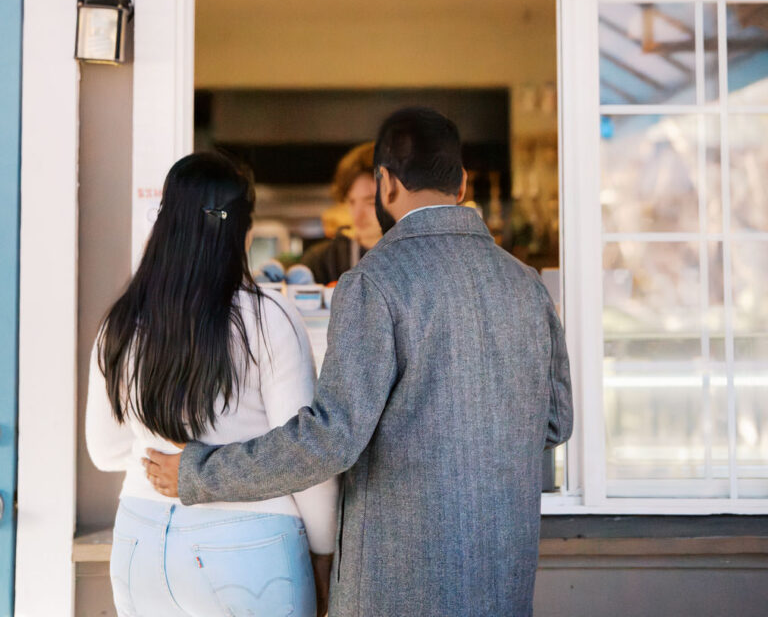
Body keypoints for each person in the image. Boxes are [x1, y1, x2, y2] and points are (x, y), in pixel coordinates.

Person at [145, 109, 573, 617]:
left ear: (385, 184)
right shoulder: (527, 284)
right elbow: (555, 420)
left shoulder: (376, 281)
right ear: (461, 184)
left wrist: (200, 472)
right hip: (502, 574)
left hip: (397, 584)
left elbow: (330, 439)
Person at [86, 152, 337, 617]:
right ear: (242, 230)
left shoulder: (122, 322)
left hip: (141, 541)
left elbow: (104, 451)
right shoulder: (269, 318)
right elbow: (304, 458)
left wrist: (166, 456)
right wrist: (324, 554)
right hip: (250, 542)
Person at [300, 141, 381, 284]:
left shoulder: (413, 257)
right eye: (351, 202)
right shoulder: (320, 261)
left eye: (370, 202)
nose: (358, 215)